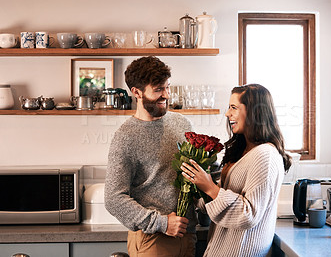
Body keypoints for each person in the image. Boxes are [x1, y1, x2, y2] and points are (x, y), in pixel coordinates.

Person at [181, 84, 292, 257]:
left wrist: (209, 187)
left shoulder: (265, 155)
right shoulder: (243, 151)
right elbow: (217, 201)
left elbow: (249, 214)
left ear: (255, 112)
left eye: (234, 107)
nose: (227, 114)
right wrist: (195, 186)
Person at [104, 56, 197, 257]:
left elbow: (196, 175)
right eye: (158, 89)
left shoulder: (182, 124)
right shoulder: (125, 137)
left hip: (187, 235)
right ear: (136, 92)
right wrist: (162, 223)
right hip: (153, 239)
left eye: (168, 87)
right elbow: (113, 199)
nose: (166, 95)